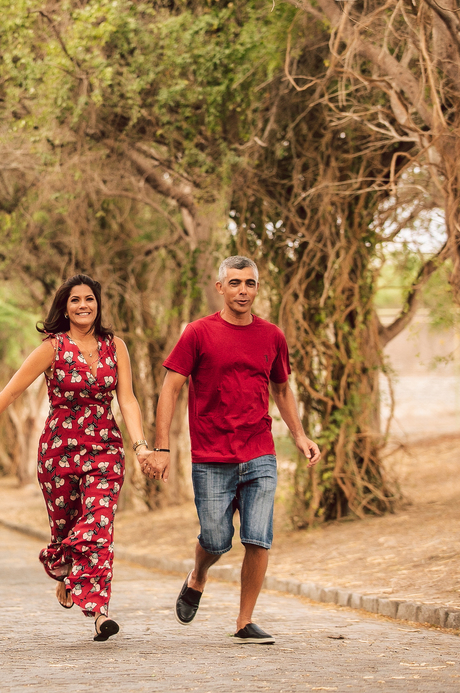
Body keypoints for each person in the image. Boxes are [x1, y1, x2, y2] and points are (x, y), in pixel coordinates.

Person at [0, 274, 153, 642]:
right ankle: (65, 565)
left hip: (105, 451)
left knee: (99, 526)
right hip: (58, 454)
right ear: (64, 308)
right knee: (68, 529)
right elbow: (11, 392)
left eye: (89, 299)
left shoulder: (117, 347)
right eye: (75, 300)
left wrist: (140, 445)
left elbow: (127, 399)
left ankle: (99, 613)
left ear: (98, 305)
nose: (83, 306)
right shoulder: (52, 348)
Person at [144, 255, 320, 645]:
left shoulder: (272, 335)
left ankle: (244, 621)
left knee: (259, 537)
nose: (243, 290)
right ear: (220, 287)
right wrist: (162, 446)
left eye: (250, 283)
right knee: (217, 539)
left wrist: (301, 435)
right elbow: (171, 388)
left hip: (259, 452)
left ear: (258, 288)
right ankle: (198, 577)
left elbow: (282, 388)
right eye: (236, 283)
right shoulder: (198, 333)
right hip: (211, 456)